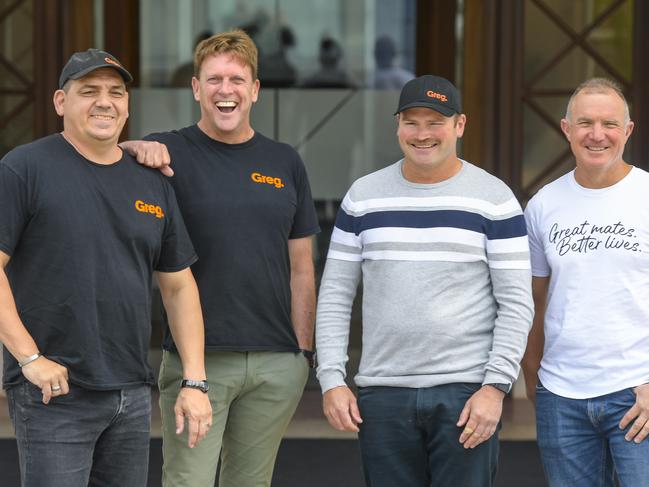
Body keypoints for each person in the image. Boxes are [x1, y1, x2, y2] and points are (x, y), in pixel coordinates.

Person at [0, 49, 211, 487]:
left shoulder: (151, 180)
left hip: (130, 392)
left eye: (116, 92)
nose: (105, 101)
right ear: (61, 102)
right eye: (89, 91)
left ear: (128, 105)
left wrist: (196, 381)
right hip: (53, 394)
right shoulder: (24, 168)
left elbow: (178, 287)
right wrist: (30, 358)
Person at [121, 29, 320, 487]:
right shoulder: (167, 153)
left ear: (254, 90)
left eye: (236, 79)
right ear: (196, 89)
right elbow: (103, 161)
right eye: (213, 80)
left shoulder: (284, 161)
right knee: (187, 482)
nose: (224, 91)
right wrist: (131, 147)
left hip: (275, 361)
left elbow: (301, 266)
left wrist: (302, 352)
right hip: (199, 362)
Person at [315, 74, 533, 487]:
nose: (422, 134)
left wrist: (495, 388)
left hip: (466, 393)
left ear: (460, 125)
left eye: (435, 122)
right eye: (411, 122)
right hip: (383, 392)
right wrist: (331, 379)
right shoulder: (363, 197)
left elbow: (517, 303)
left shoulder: (495, 199)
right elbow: (335, 295)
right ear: (397, 126)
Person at [522, 78, 649, 486]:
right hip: (561, 398)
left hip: (637, 393)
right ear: (566, 129)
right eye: (585, 123)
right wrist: (535, 383)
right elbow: (534, 304)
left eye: (610, 124)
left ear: (628, 131)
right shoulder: (543, 205)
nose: (597, 135)